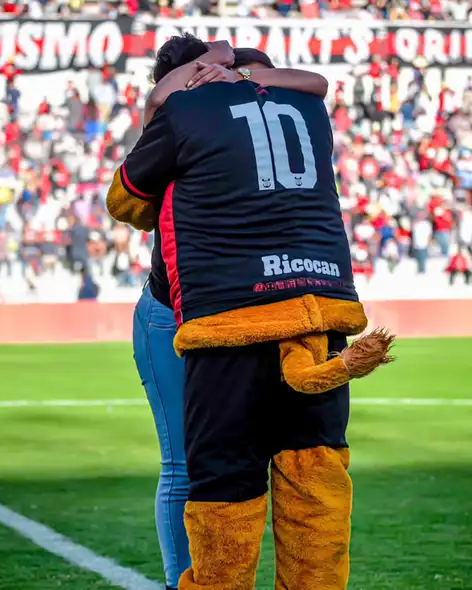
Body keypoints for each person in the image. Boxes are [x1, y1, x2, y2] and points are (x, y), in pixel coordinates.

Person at [107, 37, 394, 590]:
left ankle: (185, 580)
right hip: (315, 308)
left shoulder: (185, 109)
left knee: (203, 475)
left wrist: (195, 81)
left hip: (215, 315)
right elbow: (316, 81)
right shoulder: (306, 108)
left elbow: (128, 204)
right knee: (313, 478)